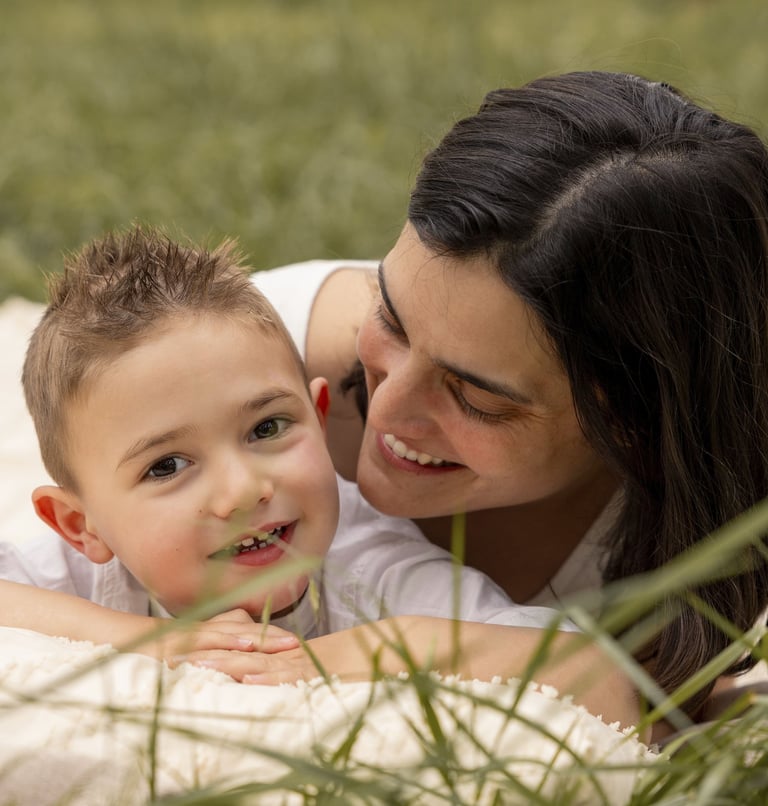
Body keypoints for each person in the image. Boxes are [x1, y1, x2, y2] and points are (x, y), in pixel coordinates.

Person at [234, 71, 768, 718]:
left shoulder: (730, 519)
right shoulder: (235, 365)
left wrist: (420, 645)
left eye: (477, 397)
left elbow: (675, 717)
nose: (390, 410)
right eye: (391, 317)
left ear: (630, 421)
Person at [0, 225, 642, 729]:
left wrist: (332, 658)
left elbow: (595, 677)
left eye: (268, 429)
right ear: (80, 525)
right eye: (167, 466)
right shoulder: (82, 580)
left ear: (320, 414)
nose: (244, 489)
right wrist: (143, 641)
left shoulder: (370, 573)